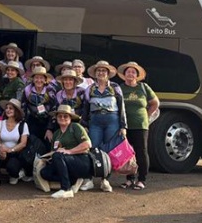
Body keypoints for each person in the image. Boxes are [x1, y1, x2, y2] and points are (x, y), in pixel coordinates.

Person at [117, 61, 159, 191]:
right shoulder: (120, 88)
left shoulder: (143, 87)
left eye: (133, 72)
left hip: (140, 125)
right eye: (128, 71)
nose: (130, 73)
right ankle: (130, 179)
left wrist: (147, 115)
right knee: (128, 153)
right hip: (125, 125)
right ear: (124, 75)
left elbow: (155, 103)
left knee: (141, 152)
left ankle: (142, 180)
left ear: (137, 75)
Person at [86, 60, 126, 193]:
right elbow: (85, 108)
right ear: (95, 74)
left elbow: (122, 108)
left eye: (104, 71)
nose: (101, 73)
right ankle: (89, 179)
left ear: (108, 73)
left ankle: (105, 179)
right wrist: (85, 125)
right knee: (93, 148)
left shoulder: (115, 87)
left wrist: (123, 126)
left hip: (112, 120)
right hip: (95, 121)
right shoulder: (90, 89)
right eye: (99, 71)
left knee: (109, 149)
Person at [41, 104, 94, 199]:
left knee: (58, 155)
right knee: (44, 173)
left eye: (65, 116)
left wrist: (69, 151)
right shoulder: (56, 133)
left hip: (82, 160)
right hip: (64, 162)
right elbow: (54, 151)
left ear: (70, 117)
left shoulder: (76, 127)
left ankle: (66, 189)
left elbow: (87, 144)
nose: (62, 118)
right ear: (56, 118)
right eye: (60, 116)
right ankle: (73, 180)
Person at [0, 98, 31, 185]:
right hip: (1, 151)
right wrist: (1, 147)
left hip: (15, 153)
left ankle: (16, 174)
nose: (8, 110)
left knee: (13, 175)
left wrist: (10, 150)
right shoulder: (0, 123)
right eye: (7, 108)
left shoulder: (23, 125)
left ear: (16, 111)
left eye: (11, 108)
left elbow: (23, 143)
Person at [22, 67, 56, 145]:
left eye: (41, 78)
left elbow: (54, 109)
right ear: (33, 79)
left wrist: (49, 128)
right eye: (36, 78)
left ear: (45, 80)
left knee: (47, 141)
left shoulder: (50, 91)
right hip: (32, 120)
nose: (39, 80)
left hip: (47, 121)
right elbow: (23, 107)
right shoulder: (27, 90)